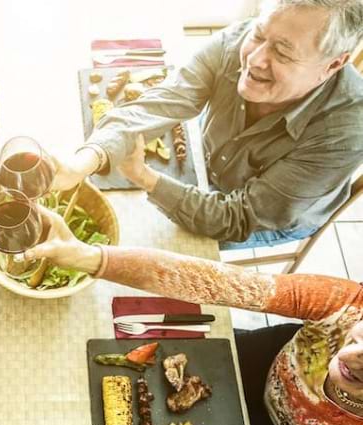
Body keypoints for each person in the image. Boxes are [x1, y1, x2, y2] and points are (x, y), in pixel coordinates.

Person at [26, 208, 363, 425]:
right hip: (261, 369)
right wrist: (90, 258)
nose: (355, 354)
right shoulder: (346, 302)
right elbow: (217, 282)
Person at [55, 0, 363, 249]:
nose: (254, 59)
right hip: (211, 164)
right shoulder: (235, 41)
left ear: (333, 65)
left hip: (265, 217)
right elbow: (161, 102)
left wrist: (144, 177)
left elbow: (236, 218)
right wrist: (81, 163)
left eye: (282, 52)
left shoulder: (346, 134)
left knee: (173, 252)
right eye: (258, 34)